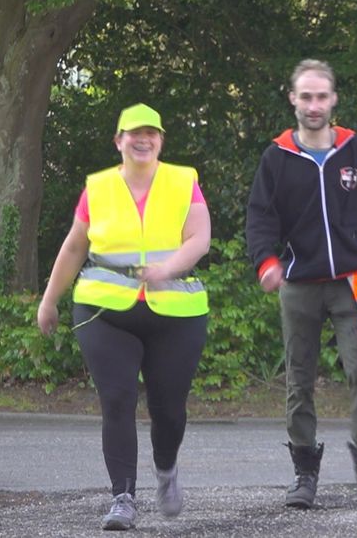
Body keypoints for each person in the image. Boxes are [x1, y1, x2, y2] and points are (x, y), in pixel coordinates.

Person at [36, 103, 211, 531]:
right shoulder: (97, 188)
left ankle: (166, 468)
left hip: (175, 310)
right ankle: (123, 497)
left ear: (161, 141)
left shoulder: (182, 180)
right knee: (117, 399)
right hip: (105, 309)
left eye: (151, 133)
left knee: (169, 409)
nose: (143, 139)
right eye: (133, 133)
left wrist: (168, 268)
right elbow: (75, 246)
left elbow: (200, 237)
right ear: (119, 141)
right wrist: (50, 300)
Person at [245, 59, 357, 509]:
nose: (313, 105)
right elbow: (260, 217)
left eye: (321, 96)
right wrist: (267, 262)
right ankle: (304, 474)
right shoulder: (277, 157)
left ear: (334, 99)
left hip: (354, 282)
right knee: (298, 377)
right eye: (305, 96)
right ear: (292, 99)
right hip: (299, 281)